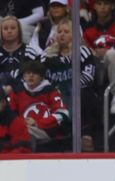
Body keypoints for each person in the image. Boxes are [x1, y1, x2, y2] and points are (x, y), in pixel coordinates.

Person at [41, 18, 98, 151]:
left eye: (66, 31)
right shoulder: (47, 54)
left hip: (77, 93)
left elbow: (89, 76)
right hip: (54, 94)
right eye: (59, 31)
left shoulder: (83, 51)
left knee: (79, 93)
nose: (61, 34)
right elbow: (41, 77)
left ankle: (84, 134)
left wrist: (66, 87)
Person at [83, 0, 115, 115]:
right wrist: (94, 52)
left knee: (111, 55)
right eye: (99, 4)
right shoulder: (88, 28)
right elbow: (85, 49)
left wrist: (109, 51)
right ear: (94, 6)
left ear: (112, 6)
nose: (102, 7)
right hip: (97, 62)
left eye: (106, 4)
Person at [8, 60, 69, 150]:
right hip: (22, 129)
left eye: (35, 73)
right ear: (24, 76)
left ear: (41, 77)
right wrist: (20, 123)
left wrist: (37, 123)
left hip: (47, 132)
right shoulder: (17, 92)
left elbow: (63, 114)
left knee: (25, 131)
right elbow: (9, 114)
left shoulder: (51, 91)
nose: (31, 76)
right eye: (28, 73)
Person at [1, 16, 33, 93]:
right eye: (5, 29)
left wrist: (13, 87)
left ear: (19, 30)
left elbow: (35, 75)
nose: (9, 31)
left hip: (24, 93)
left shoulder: (29, 51)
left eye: (13, 28)